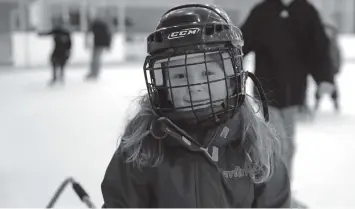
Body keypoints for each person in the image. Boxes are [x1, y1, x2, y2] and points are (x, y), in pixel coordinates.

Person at [101, 4, 290, 208]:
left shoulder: (254, 143)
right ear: (164, 86)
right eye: (180, 76)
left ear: (231, 78)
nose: (196, 87)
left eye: (208, 74)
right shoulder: (142, 146)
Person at [241, 0, 334, 206]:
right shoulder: (263, 11)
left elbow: (319, 48)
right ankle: (270, 194)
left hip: (294, 93)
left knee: (288, 145)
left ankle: (282, 192)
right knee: (277, 142)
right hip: (266, 93)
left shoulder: (306, 11)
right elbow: (242, 43)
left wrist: (325, 78)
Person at [315, 23, 342, 112]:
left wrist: (337, 67)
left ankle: (335, 103)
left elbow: (337, 56)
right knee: (320, 85)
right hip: (321, 68)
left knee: (332, 85)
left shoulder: (333, 44)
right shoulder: (320, 43)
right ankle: (317, 102)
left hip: (331, 68)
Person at [38, 17, 72, 85]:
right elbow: (48, 33)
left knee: (61, 64)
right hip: (56, 50)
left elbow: (69, 43)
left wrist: (68, 51)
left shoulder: (66, 33)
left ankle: (61, 77)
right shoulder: (57, 30)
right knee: (54, 63)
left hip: (63, 51)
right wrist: (41, 34)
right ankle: (55, 77)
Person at [85, 14, 111, 80]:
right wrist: (108, 45)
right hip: (99, 44)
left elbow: (89, 31)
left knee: (95, 59)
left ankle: (94, 73)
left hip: (98, 44)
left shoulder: (96, 25)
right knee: (95, 59)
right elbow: (108, 35)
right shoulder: (102, 25)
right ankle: (94, 72)